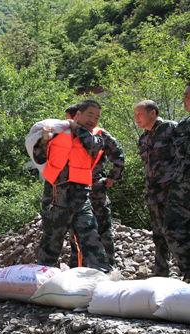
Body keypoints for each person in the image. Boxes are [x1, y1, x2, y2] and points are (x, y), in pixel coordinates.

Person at [34, 100, 110, 272]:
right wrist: (44, 140)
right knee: (52, 239)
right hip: (57, 196)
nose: (93, 120)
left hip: (81, 196)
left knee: (91, 236)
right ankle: (43, 275)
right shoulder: (58, 133)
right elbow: (39, 158)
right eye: (90, 115)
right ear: (78, 114)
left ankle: (101, 273)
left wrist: (75, 127)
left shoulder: (96, 137)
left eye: (97, 117)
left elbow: (91, 145)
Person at [67, 104, 125, 268]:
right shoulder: (67, 134)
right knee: (76, 231)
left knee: (103, 229)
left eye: (95, 117)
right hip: (74, 190)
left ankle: (108, 267)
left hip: (95, 189)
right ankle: (79, 267)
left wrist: (112, 178)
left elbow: (119, 156)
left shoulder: (100, 134)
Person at [134, 100, 179, 276]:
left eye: (140, 114)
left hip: (173, 191)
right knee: (158, 233)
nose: (136, 118)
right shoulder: (143, 138)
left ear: (153, 113)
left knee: (177, 231)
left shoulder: (171, 128)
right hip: (153, 193)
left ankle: (185, 269)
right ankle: (161, 271)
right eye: (135, 115)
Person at [164, 84, 190, 277]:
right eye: (185, 96)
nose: (185, 99)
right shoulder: (182, 125)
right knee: (173, 229)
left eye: (188, 96)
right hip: (181, 188)